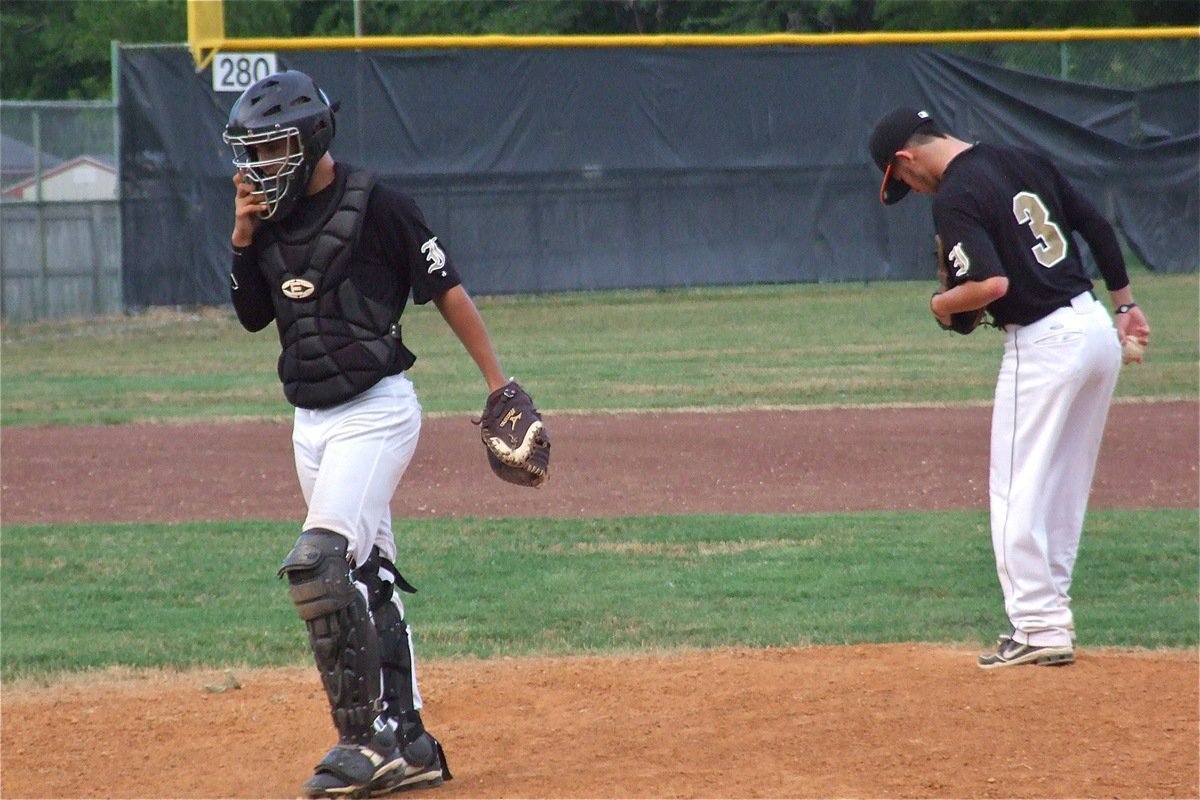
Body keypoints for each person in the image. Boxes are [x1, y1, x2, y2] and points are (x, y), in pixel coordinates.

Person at [223, 69, 512, 796]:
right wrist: (241, 239)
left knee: (319, 565)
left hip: (377, 411)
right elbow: (254, 316)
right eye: (253, 150)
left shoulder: (380, 204)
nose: (260, 163)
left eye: (274, 145)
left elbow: (448, 291)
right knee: (366, 575)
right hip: (310, 424)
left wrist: (499, 386)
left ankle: (365, 740)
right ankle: (410, 740)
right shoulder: (269, 217)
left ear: (315, 137)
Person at [867, 107, 1151, 670]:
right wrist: (1126, 304)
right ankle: (1050, 617)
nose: (912, 189)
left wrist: (940, 304)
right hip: (1095, 329)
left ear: (906, 157)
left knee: (1016, 489)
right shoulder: (1019, 157)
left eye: (901, 179)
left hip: (1044, 343)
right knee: (1063, 485)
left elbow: (989, 283)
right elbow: (1094, 224)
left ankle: (1038, 626)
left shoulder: (955, 194)